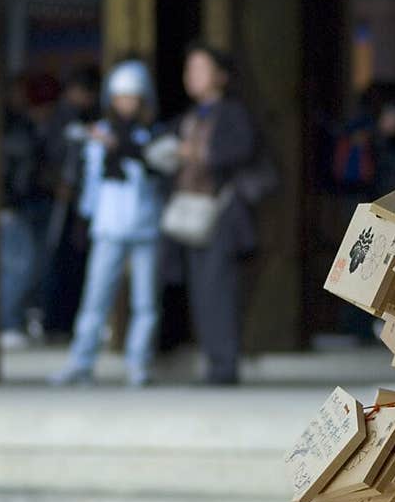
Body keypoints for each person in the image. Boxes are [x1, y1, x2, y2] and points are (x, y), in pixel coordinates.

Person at [50, 60, 166, 387]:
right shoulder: (100, 134)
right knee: (95, 298)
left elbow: (157, 166)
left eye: (132, 97)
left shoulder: (151, 134)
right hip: (109, 226)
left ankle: (138, 363)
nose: (126, 103)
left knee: (145, 302)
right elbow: (91, 183)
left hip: (144, 225)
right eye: (120, 97)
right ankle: (81, 360)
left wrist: (126, 149)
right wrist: (85, 220)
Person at [163, 43, 259, 385]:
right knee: (201, 291)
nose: (193, 76)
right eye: (190, 69)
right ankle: (213, 361)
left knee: (219, 288)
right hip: (191, 212)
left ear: (221, 75)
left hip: (219, 211)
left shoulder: (232, 112)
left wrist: (199, 152)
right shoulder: (190, 116)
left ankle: (224, 365)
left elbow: (244, 148)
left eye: (201, 68)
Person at [41, 64, 102, 337]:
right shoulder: (60, 118)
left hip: (82, 201)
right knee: (59, 262)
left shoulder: (88, 117)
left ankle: (66, 321)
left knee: (76, 263)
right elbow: (46, 158)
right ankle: (55, 322)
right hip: (59, 201)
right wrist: (57, 184)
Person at [0, 92, 40, 350]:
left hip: (12, 205)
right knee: (18, 266)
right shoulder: (16, 134)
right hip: (10, 207)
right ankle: (8, 323)